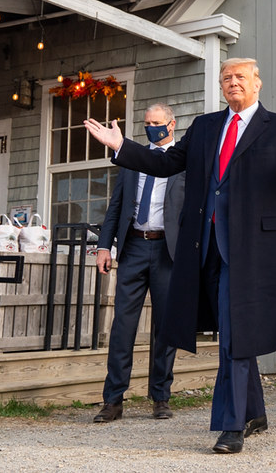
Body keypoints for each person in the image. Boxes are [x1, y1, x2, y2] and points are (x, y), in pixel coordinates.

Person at [83, 57, 276, 455]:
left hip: (251, 249)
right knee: (231, 329)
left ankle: (232, 424)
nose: (232, 83)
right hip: (203, 247)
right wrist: (122, 147)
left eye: (240, 77)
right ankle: (255, 412)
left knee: (235, 331)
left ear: (258, 83)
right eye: (226, 78)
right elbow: (167, 162)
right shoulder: (205, 126)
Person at [93, 103, 185, 423]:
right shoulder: (132, 159)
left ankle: (160, 397)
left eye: (156, 123)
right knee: (123, 327)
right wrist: (105, 246)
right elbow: (115, 206)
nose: (150, 128)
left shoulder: (182, 161)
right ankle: (113, 400)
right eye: (146, 123)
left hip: (167, 251)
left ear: (171, 125)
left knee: (165, 328)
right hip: (133, 248)